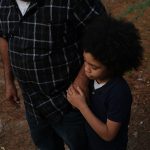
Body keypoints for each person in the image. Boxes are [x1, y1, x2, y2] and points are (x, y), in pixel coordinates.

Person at [0, 0, 106, 150]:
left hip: (69, 102)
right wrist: (9, 81)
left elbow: (102, 31)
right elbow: (4, 36)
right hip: (33, 103)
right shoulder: (4, 3)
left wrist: (82, 80)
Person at [67, 15, 144, 150]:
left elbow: (109, 134)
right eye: (85, 62)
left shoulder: (119, 92)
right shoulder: (92, 80)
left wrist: (82, 106)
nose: (86, 70)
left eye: (94, 67)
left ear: (113, 65)